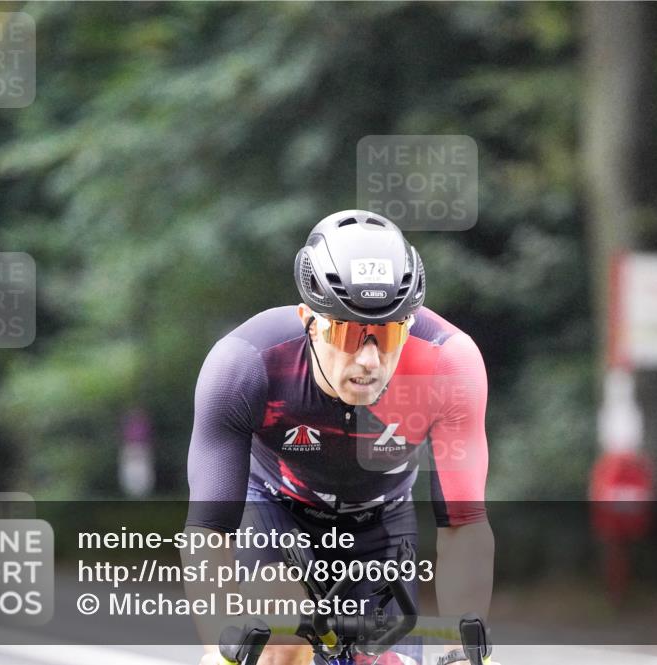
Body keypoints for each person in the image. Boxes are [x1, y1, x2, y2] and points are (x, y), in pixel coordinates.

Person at [183, 210, 494, 665]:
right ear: (310, 318)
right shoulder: (245, 365)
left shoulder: (449, 363)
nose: (369, 359)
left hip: (381, 522)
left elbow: (464, 524)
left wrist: (464, 651)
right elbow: (208, 532)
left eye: (387, 335)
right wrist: (220, 648)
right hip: (276, 515)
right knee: (277, 643)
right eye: (349, 333)